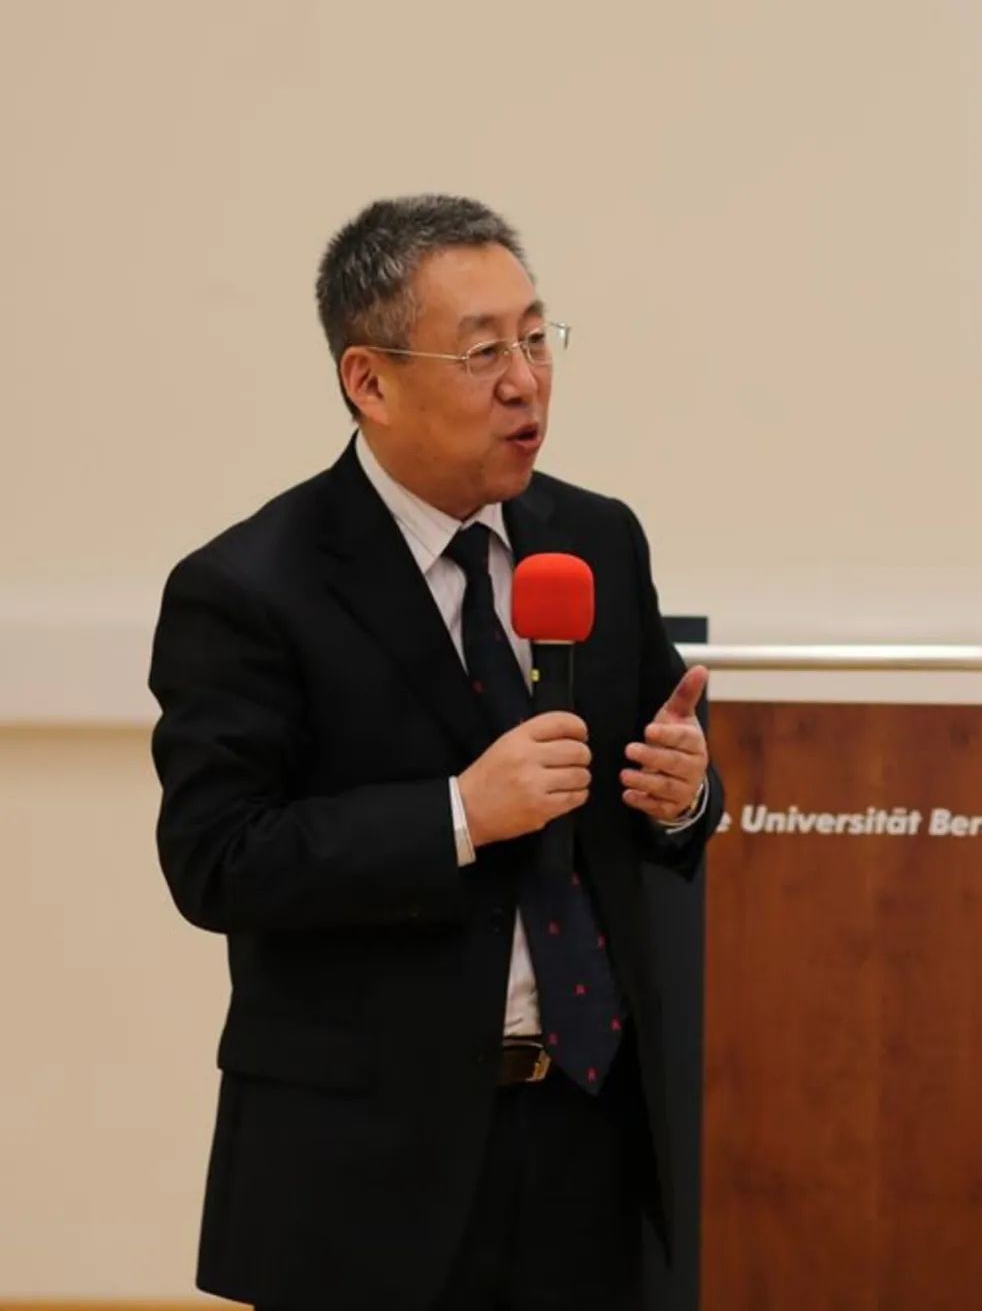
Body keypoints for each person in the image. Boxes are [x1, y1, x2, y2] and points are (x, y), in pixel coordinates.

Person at [149, 194, 723, 1311]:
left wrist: (683, 797)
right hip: (367, 1171)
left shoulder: (596, 539)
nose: (526, 381)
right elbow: (217, 859)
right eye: (482, 352)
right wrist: (457, 813)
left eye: (536, 338)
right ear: (369, 381)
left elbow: (665, 782)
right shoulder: (249, 588)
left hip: (591, 1133)